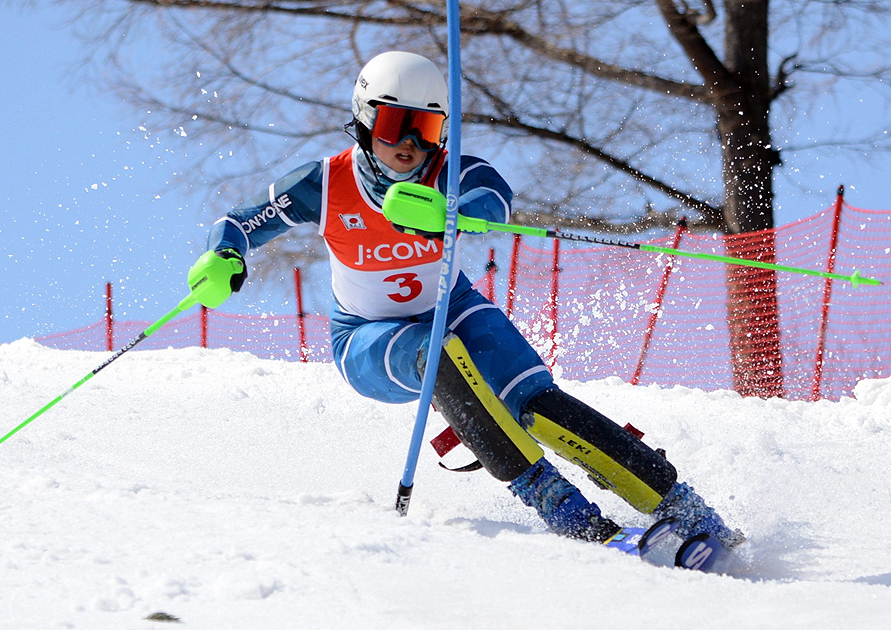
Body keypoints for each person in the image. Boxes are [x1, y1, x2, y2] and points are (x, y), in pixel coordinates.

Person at [189, 51, 744, 549]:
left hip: (451, 306)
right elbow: (239, 222)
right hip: (365, 337)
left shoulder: (447, 172)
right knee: (434, 355)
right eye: (391, 125)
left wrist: (448, 212)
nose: (407, 144)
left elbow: (493, 195)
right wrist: (224, 256)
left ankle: (680, 504)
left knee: (532, 399)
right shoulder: (325, 183)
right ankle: (558, 504)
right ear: (362, 120)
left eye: (425, 128)